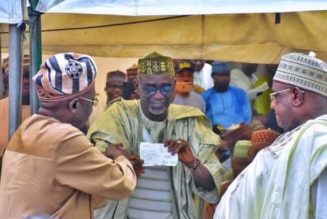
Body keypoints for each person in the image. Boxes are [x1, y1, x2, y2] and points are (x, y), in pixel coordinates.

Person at [0, 53, 137, 219]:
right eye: (92, 102)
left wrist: (99, 159)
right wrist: (122, 159)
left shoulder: (28, 127)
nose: (92, 109)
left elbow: (66, 189)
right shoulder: (64, 138)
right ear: (74, 105)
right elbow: (121, 185)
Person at [88, 52, 223, 219]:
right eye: (150, 87)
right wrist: (117, 155)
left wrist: (192, 163)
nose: (158, 95)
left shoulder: (189, 123)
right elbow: (94, 157)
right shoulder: (119, 115)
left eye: (165, 87)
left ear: (174, 86)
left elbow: (211, 187)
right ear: (137, 87)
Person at [214, 52, 327, 219]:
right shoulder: (299, 141)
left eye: (276, 96)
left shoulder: (318, 142)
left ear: (296, 96)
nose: (272, 106)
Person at [202, 61, 252, 131]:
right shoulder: (205, 97)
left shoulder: (240, 94)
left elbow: (247, 118)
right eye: (221, 75)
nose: (224, 78)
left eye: (227, 75)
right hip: (215, 135)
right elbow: (203, 122)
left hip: (239, 132)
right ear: (213, 76)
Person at [0, 55, 31, 157]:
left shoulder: (52, 108)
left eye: (28, 75)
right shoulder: (1, 108)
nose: (25, 81)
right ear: (8, 79)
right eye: (19, 76)